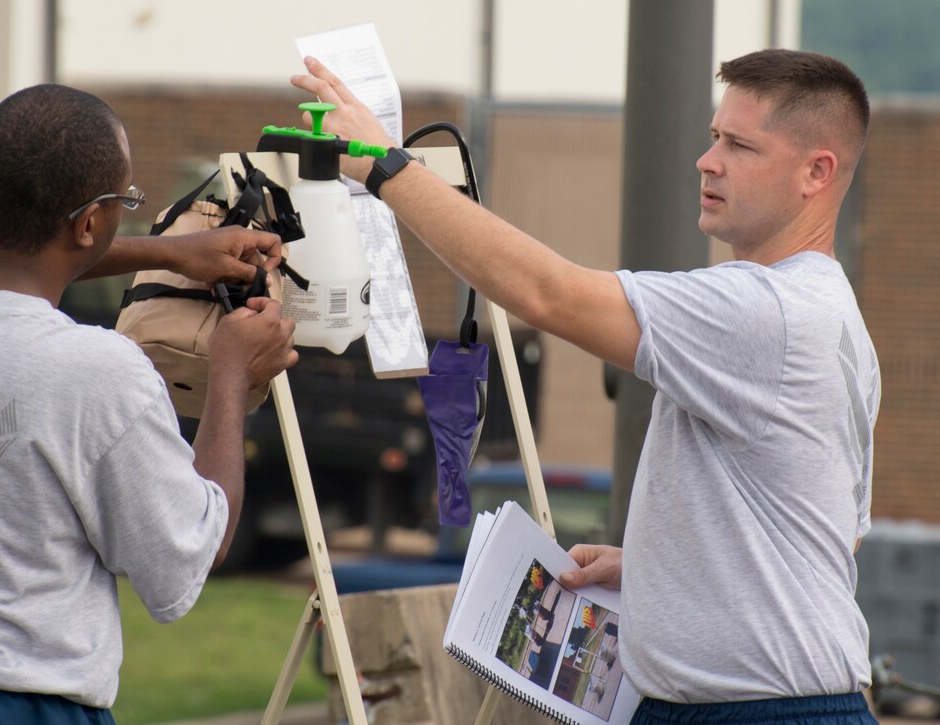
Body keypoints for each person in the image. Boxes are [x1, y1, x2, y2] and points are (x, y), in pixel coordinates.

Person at [292, 48, 880, 724]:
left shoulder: (765, 310)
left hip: (758, 713)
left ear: (817, 172)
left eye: (740, 144)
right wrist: (661, 565)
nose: (707, 160)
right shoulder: (836, 319)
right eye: (715, 136)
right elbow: (829, 534)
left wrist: (383, 165)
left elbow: (549, 295)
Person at [0, 84, 297, 723]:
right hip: (13, 705)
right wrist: (231, 376)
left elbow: (2, 248)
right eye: (125, 202)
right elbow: (192, 552)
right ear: (89, 223)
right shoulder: (93, 373)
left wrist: (168, 251)